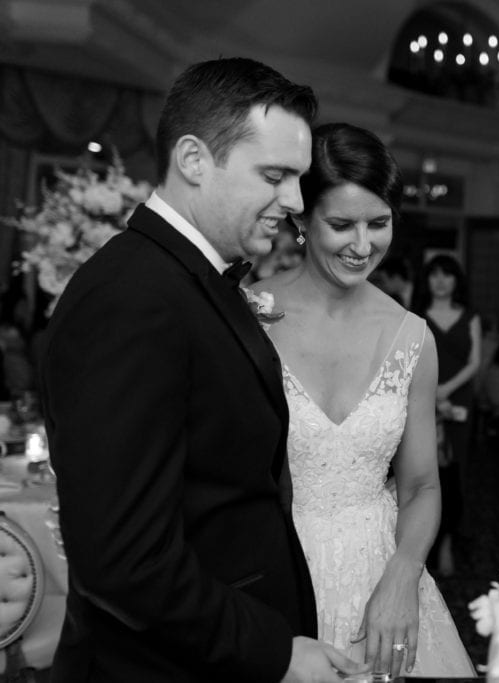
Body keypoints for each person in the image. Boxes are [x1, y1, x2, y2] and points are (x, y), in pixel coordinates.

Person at [39, 58, 366, 682]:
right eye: (275, 175)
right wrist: (274, 651)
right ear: (193, 160)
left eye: (298, 180)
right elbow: (125, 560)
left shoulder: (185, 279)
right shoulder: (132, 297)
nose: (296, 202)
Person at [253, 122, 475, 679]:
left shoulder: (411, 338)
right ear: (301, 219)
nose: (362, 245)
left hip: (383, 574)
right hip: (270, 572)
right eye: (341, 224)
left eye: (378, 224)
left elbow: (422, 484)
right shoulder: (247, 316)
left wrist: (403, 576)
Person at [411, 254, 482, 577]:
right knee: (423, 471)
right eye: (434, 275)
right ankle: (422, 543)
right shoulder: (416, 316)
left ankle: (450, 541)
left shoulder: (470, 317)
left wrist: (446, 389)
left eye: (447, 275)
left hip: (459, 400)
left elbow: (474, 362)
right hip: (422, 399)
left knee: (459, 472)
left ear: (457, 280)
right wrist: (431, 392)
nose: (440, 281)